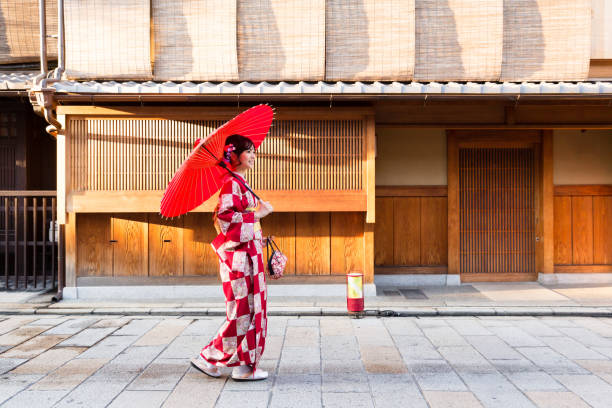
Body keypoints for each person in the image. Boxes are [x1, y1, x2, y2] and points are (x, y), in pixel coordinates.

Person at [191, 134, 277, 381]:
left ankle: (243, 366)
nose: (253, 155)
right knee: (241, 311)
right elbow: (225, 220)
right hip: (239, 259)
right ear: (235, 155)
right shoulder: (231, 183)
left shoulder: (239, 181)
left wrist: (257, 219)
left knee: (250, 310)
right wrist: (257, 215)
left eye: (253, 151)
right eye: (248, 151)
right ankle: (210, 357)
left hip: (249, 255)